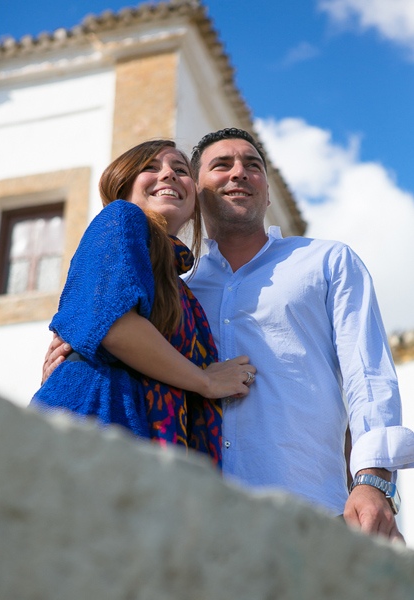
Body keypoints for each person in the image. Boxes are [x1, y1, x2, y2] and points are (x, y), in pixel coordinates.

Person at [45, 128, 414, 540]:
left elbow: (368, 376)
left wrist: (374, 483)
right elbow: (108, 327)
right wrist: (73, 353)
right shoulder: (178, 284)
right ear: (198, 193)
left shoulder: (325, 262)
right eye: (221, 165)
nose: (239, 173)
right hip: (197, 519)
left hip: (310, 507)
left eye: (252, 165)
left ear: (268, 192)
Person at [32, 139, 256, 467]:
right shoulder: (121, 217)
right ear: (122, 186)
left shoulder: (180, 286)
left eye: (180, 171)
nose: (168, 175)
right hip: (99, 413)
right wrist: (206, 380)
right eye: (150, 168)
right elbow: (116, 325)